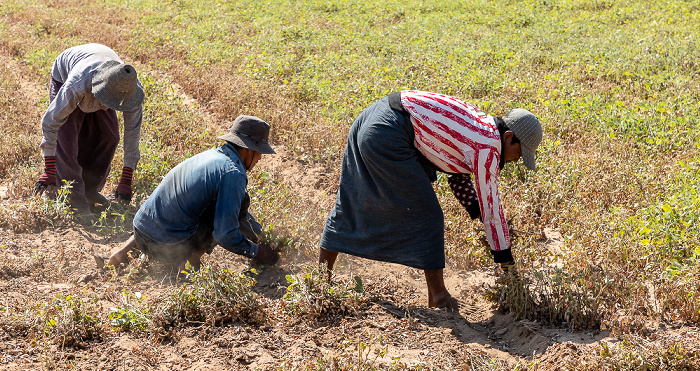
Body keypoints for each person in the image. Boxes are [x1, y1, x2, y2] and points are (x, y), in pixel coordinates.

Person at [319, 90, 542, 309]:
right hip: (389, 131)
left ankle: (320, 282)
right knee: (429, 215)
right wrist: (507, 265)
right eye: (520, 153)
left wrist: (476, 211)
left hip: (373, 116)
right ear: (508, 137)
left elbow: (457, 176)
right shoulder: (488, 147)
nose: (516, 160)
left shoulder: (480, 125)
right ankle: (439, 297)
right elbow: (492, 209)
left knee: (350, 201)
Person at [105, 115, 279, 271]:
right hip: (165, 246)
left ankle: (121, 253)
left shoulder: (212, 156)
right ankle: (191, 257)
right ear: (249, 150)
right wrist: (257, 252)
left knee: (208, 202)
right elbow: (225, 234)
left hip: (140, 229)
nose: (260, 159)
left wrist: (260, 234)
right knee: (237, 204)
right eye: (259, 153)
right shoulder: (234, 173)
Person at [34, 43, 144, 214]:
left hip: (97, 70)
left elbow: (132, 133)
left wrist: (126, 178)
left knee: (110, 137)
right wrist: (49, 169)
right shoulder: (77, 84)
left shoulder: (130, 91)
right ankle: (74, 200)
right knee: (67, 140)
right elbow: (50, 122)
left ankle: (89, 190)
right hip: (67, 73)